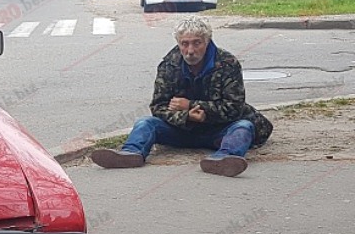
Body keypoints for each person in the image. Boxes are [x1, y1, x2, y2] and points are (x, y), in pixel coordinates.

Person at [91, 16, 273, 177]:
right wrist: (186, 116)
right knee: (145, 123)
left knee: (244, 126)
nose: (190, 50)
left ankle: (223, 159)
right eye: (184, 44)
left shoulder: (228, 64)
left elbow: (234, 107)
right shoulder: (169, 65)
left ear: (207, 41)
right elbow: (158, 106)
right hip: (180, 130)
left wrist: (192, 106)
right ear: (178, 43)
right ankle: (130, 153)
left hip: (218, 130)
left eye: (197, 43)